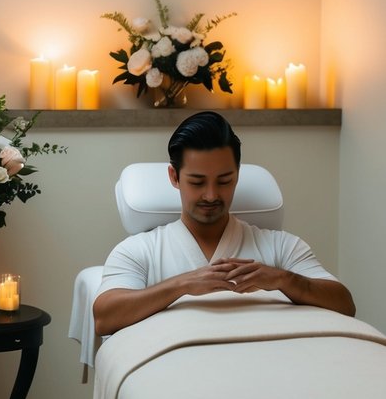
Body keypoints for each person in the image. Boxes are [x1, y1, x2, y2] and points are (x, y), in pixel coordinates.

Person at [93, 110, 355, 336]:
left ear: (237, 175)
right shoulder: (139, 250)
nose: (211, 195)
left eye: (224, 181)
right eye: (197, 182)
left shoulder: (280, 247)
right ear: (174, 177)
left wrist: (282, 279)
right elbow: (104, 318)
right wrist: (181, 285)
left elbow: (344, 304)